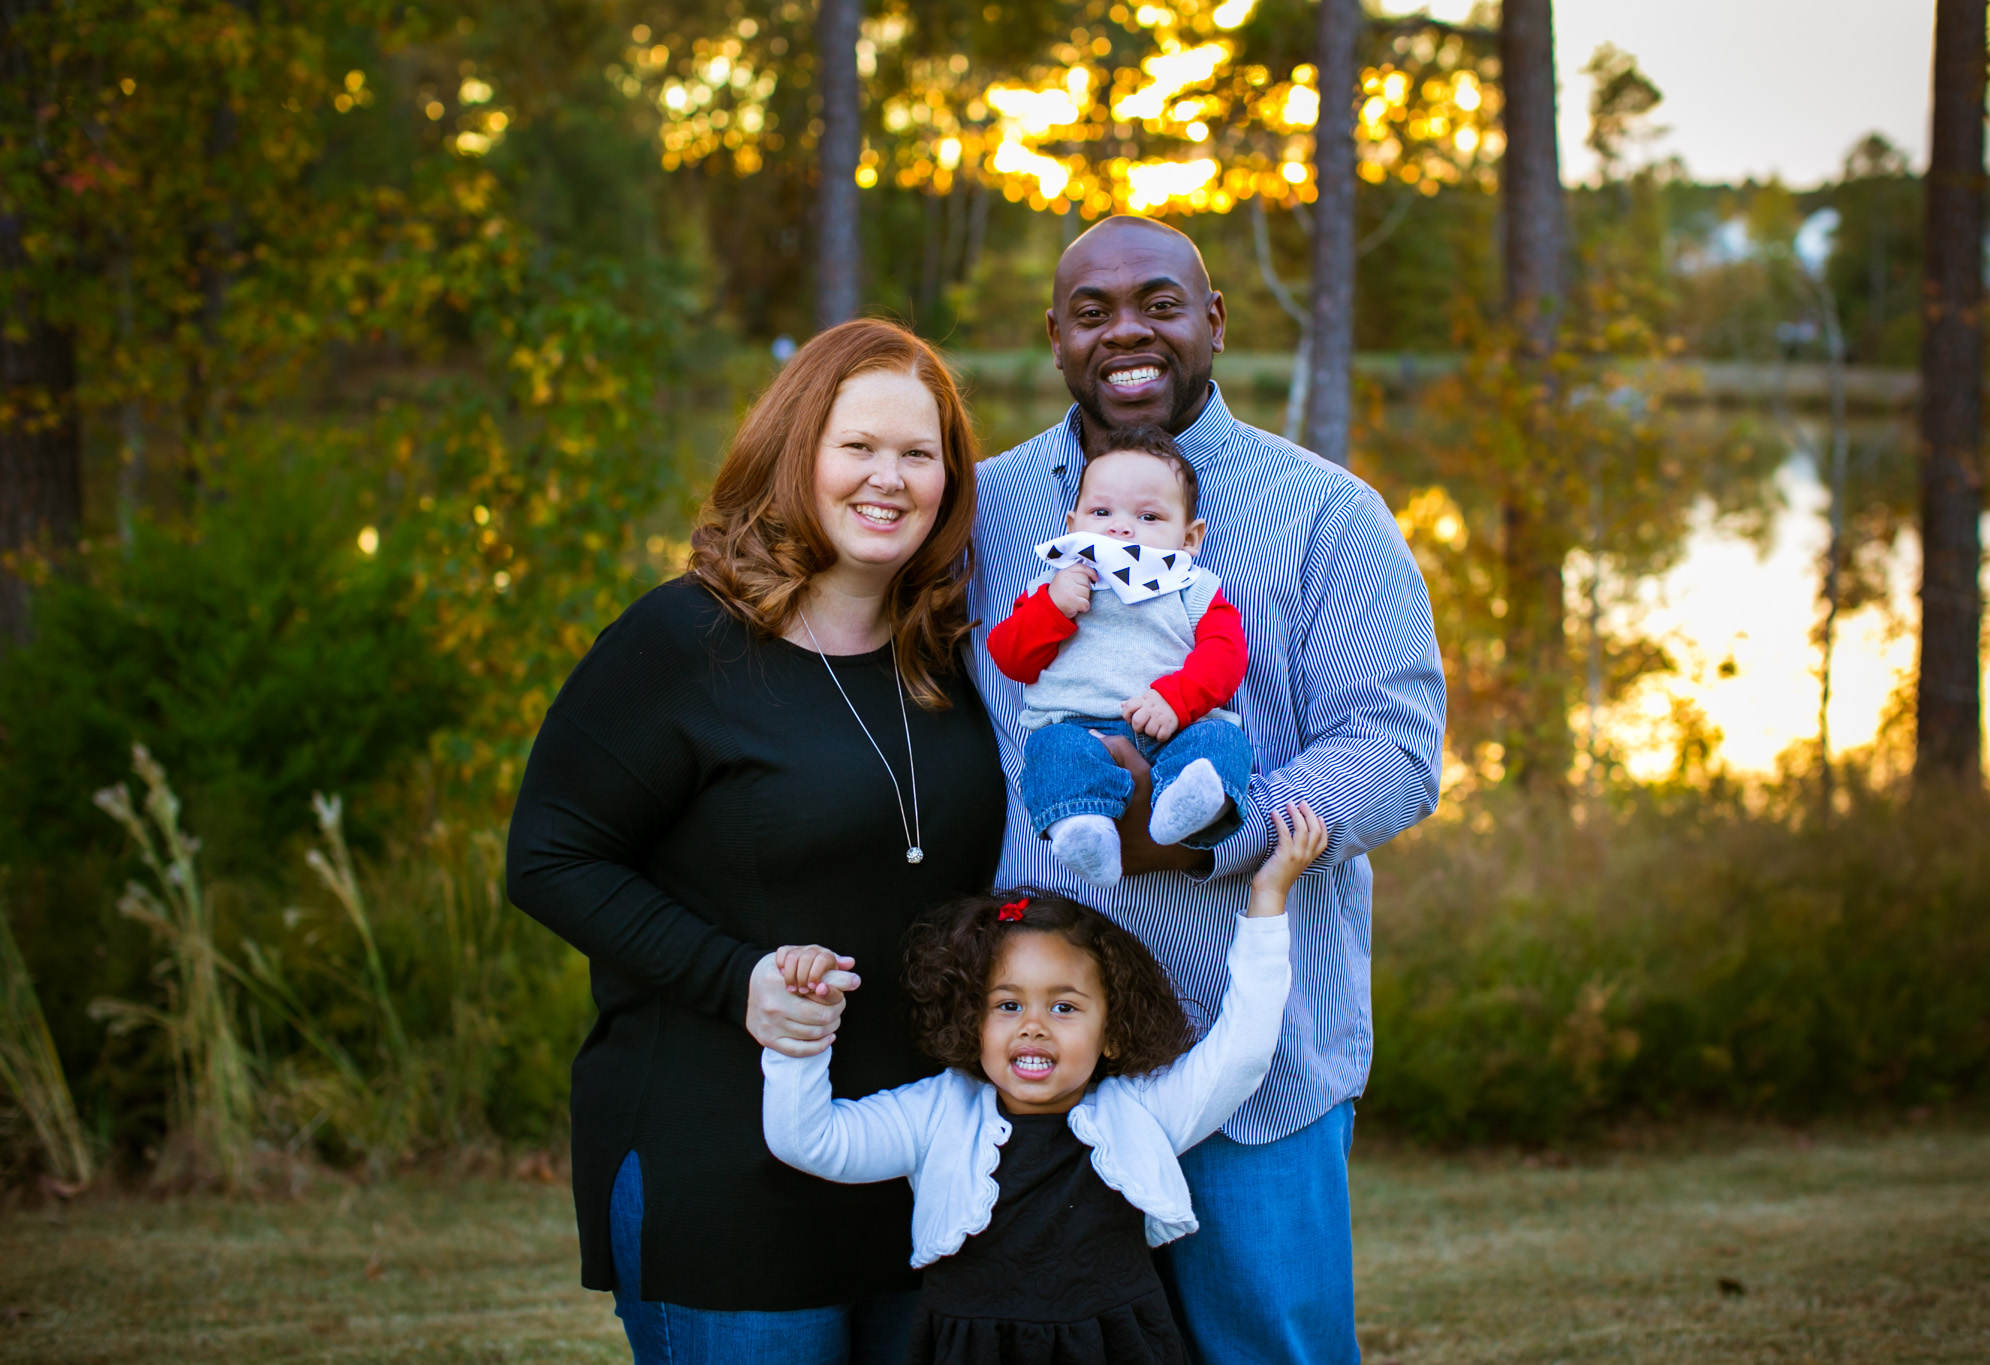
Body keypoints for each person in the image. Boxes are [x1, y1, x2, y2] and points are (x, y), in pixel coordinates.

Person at [967, 215, 1446, 1365]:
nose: (1126, 330)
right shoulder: (977, 515)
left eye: (1159, 302)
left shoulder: (1327, 512)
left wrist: (1208, 836)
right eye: (1092, 311)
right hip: (1039, 1067)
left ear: (1214, 321)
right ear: (1054, 338)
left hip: (1256, 1062)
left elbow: (1393, 744)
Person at [506, 319, 1009, 1365]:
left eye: (918, 454)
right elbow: (551, 856)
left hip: (920, 1173)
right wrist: (736, 979)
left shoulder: (953, 656)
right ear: (794, 454)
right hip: (720, 1170)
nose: (889, 479)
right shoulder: (684, 642)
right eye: (856, 447)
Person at [760, 803, 1330, 1365]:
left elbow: (1244, 1050)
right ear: (972, 1022)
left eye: (1063, 1006)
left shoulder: (1139, 1115)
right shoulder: (935, 1115)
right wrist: (799, 1035)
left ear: (1111, 1031)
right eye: (1007, 1004)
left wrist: (1268, 902)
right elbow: (809, 1141)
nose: (1033, 1024)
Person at [985, 423, 1252, 888]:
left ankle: (1188, 803)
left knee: (1223, 743)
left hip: (1175, 725)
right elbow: (1010, 658)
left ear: (1189, 539)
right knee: (1052, 752)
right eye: (1102, 510)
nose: (1121, 526)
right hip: (1076, 726)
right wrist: (1052, 607)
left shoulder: (1191, 586)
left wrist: (1178, 698)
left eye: (1149, 517)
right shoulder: (1052, 588)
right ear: (1073, 525)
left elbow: (1226, 654)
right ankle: (1084, 829)